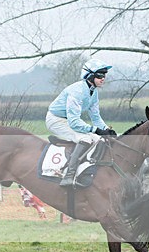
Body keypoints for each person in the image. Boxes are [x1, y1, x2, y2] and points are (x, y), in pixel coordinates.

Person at [46, 59, 117, 187]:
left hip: (67, 120)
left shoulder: (93, 92)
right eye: (100, 75)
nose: (103, 78)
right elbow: (74, 123)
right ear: (89, 76)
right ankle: (69, 175)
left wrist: (106, 130)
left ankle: (87, 169)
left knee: (98, 139)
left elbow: (96, 118)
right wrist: (95, 129)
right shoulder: (77, 91)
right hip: (55, 120)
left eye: (104, 75)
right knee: (85, 138)